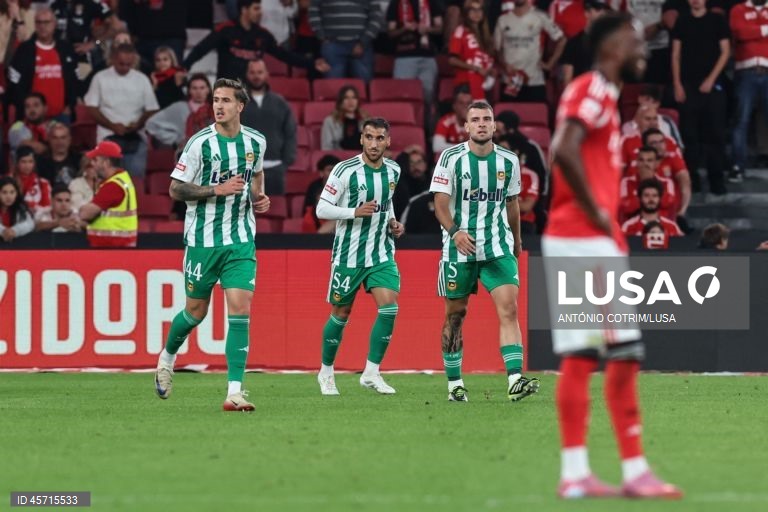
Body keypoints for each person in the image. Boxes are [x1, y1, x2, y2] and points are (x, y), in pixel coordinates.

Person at [545, 12, 682, 498]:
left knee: (601, 355)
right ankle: (614, 472)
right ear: (611, 46)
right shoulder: (593, 89)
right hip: (584, 239)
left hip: (587, 240)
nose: (643, 47)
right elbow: (560, 148)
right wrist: (597, 214)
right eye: (635, 40)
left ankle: (588, 473)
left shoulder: (604, 94)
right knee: (611, 354)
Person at [154, 78, 271, 412]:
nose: (218, 106)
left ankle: (234, 390)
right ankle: (166, 359)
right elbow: (176, 189)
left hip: (240, 240)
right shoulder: (199, 144)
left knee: (240, 306)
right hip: (203, 241)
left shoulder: (256, 141)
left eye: (225, 100)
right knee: (195, 312)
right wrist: (214, 190)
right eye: (215, 100)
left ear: (240, 106)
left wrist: (258, 196)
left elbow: (256, 174)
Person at [429, 100, 539, 403]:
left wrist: (515, 242)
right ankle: (454, 384)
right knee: (455, 316)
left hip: (496, 245)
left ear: (494, 126)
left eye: (486, 119)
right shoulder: (450, 158)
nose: (481, 123)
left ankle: (515, 380)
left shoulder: (508, 160)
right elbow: (439, 203)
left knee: (509, 308)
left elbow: (512, 203)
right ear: (466, 126)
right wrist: (455, 232)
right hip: (458, 249)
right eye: (475, 119)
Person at [315, 117, 405, 396]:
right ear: (361, 139)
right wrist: (353, 212)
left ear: (388, 141)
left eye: (380, 138)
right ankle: (326, 372)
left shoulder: (394, 170)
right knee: (341, 313)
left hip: (381, 252)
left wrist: (393, 222)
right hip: (348, 255)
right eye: (369, 137)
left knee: (389, 308)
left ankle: (371, 372)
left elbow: (386, 203)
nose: (374, 144)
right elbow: (322, 209)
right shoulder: (345, 170)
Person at [184, 0, 328, 82]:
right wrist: (184, 67)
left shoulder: (262, 34)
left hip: (250, 92)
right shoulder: (225, 30)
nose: (260, 12)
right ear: (244, 10)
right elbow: (201, 49)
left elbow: (285, 56)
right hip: (226, 91)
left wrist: (312, 63)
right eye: (256, 8)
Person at [671, 0, 730, 196]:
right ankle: (692, 180)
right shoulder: (682, 21)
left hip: (713, 85)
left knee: (715, 134)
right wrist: (678, 84)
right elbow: (676, 54)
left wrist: (711, 79)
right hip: (688, 85)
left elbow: (725, 52)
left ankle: (716, 179)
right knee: (689, 135)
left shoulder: (716, 20)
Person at [84, 43, 159, 177]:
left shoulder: (141, 79)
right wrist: (112, 126)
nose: (124, 67)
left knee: (135, 179)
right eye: (121, 63)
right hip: (108, 134)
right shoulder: (100, 78)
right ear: (113, 59)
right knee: (108, 178)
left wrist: (138, 124)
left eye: (128, 64)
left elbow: (151, 108)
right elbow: (91, 107)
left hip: (136, 135)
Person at [6, 6, 78, 121]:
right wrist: (25, 108)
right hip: (31, 116)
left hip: (61, 115)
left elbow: (74, 80)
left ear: (54, 24)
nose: (42, 26)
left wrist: (70, 105)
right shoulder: (24, 50)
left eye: (46, 22)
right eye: (39, 22)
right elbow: (14, 82)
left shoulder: (66, 49)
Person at [240, 58, 297, 195]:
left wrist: (285, 163)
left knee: (276, 212)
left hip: (276, 169)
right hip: (245, 170)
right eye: (252, 72)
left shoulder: (280, 102)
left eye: (260, 72)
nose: (256, 76)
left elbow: (290, 133)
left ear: (266, 74)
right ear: (247, 75)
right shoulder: (238, 102)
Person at [494, 0, 566, 103]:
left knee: (537, 116)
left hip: (534, 80)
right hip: (510, 82)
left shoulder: (540, 16)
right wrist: (504, 64)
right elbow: (497, 50)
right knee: (507, 117)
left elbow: (562, 39)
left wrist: (550, 64)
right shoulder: (503, 20)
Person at [728, 0, 768, 183]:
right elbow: (740, 33)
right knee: (741, 120)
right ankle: (738, 166)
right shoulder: (738, 9)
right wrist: (764, 30)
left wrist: (754, 31)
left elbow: (748, 32)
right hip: (746, 72)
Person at [76, 140, 138, 248]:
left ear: (106, 162)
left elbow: (85, 214)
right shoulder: (121, 179)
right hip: (118, 247)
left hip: (113, 250)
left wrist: (80, 211)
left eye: (95, 160)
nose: (92, 164)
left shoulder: (113, 185)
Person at [386, 0, 444, 112]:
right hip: (404, 56)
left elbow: (440, 28)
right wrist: (405, 29)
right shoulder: (396, 3)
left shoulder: (432, 2)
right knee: (402, 95)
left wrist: (427, 29)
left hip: (427, 56)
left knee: (428, 97)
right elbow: (391, 33)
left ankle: (428, 128)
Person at [309, 0, 383, 82]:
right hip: (332, 45)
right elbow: (313, 12)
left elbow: (376, 17)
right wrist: (321, 36)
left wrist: (363, 42)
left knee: (365, 87)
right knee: (333, 88)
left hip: (362, 46)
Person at [146, 73, 213, 149]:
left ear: (208, 90)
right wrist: (174, 139)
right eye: (194, 88)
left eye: (202, 88)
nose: (198, 92)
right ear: (189, 90)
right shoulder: (179, 108)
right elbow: (151, 124)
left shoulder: (214, 110)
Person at [448, 0, 495, 100]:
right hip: (466, 84)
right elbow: (452, 60)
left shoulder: (486, 35)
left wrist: (491, 71)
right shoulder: (461, 31)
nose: (476, 13)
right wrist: (475, 68)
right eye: (472, 10)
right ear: (466, 13)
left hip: (484, 85)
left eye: (479, 10)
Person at [561, 0, 611, 86]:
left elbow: (618, 76)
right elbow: (567, 79)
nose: (603, 14)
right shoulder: (573, 43)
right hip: (582, 95)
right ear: (587, 13)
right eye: (598, 10)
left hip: (605, 95)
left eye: (605, 10)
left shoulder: (611, 43)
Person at [619, 145, 676, 221]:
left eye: (649, 160)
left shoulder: (667, 182)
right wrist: (653, 199)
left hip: (661, 227)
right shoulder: (626, 182)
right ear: (637, 162)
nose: (645, 164)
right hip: (633, 228)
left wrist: (638, 200)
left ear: (656, 163)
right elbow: (625, 207)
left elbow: (667, 202)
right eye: (641, 160)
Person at [302, 154, 339, 233]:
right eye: (330, 170)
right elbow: (310, 209)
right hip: (319, 222)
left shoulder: (346, 186)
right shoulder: (314, 187)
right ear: (321, 172)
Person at [321, 85, 366, 150]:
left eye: (354, 98)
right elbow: (326, 148)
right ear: (340, 101)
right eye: (346, 98)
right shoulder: (329, 121)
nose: (350, 101)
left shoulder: (366, 121)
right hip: (338, 158)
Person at [7, 91, 51, 156]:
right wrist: (49, 148)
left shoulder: (53, 125)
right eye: (27, 106)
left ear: (45, 108)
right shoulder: (17, 126)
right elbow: (34, 147)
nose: (32, 110)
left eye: (36, 105)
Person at [433, 85, 471, 153]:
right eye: (461, 103)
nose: (465, 107)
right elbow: (436, 146)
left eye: (468, 103)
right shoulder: (446, 121)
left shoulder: (477, 123)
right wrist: (463, 148)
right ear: (454, 106)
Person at [13, 145, 50, 216]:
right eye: (23, 162)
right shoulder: (7, 181)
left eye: (30, 161)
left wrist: (35, 208)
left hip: (38, 218)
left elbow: (47, 207)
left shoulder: (42, 183)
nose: (27, 166)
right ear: (17, 163)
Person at [0, 175, 34, 243]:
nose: (8, 196)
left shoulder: (20, 207)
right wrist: (3, 231)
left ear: (16, 193)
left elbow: (30, 223)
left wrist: (14, 231)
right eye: (4, 192)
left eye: (12, 192)